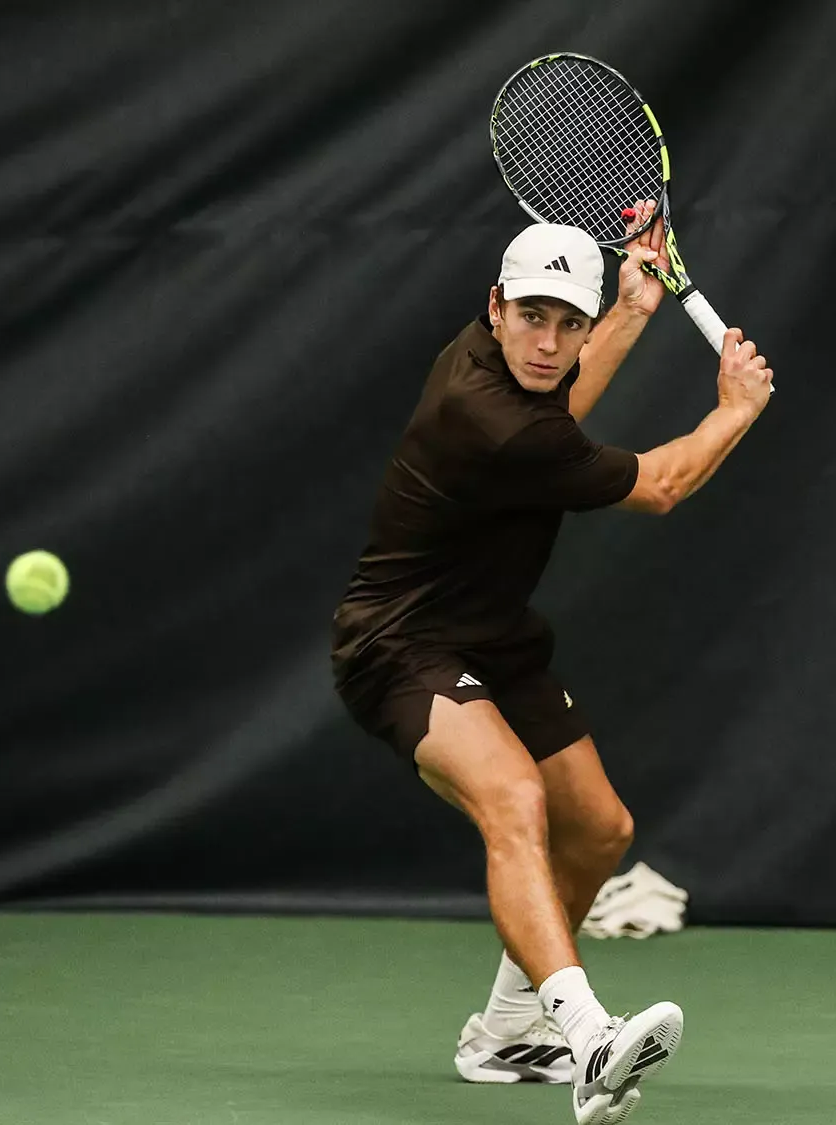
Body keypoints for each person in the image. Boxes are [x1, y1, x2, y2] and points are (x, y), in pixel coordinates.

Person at [330, 203, 773, 1124]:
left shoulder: (496, 369)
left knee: (601, 830)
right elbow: (658, 485)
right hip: (399, 643)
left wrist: (631, 311)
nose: (549, 339)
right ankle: (587, 1035)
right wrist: (733, 410)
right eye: (534, 315)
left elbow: (559, 398)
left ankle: (502, 1033)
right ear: (496, 307)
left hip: (495, 637)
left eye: (568, 321)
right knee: (515, 799)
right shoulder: (484, 415)